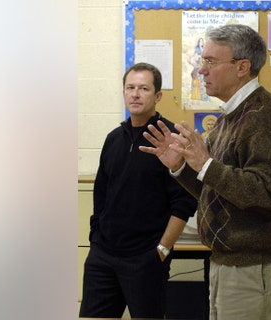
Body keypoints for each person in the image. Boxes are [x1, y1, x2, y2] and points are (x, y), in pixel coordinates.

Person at [140, 24, 271, 320]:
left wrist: (206, 165)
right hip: (230, 264)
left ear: (242, 67)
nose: (201, 70)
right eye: (203, 61)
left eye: (211, 62)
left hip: (255, 269)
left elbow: (268, 195)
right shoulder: (231, 117)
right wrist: (179, 167)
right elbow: (215, 188)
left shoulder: (264, 116)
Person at [79, 62, 197, 319]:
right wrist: (95, 239)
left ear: (157, 96)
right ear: (123, 92)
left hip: (145, 259)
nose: (135, 94)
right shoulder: (113, 138)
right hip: (103, 256)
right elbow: (101, 194)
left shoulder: (171, 139)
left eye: (143, 88)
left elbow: (185, 201)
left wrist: (162, 250)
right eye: (130, 88)